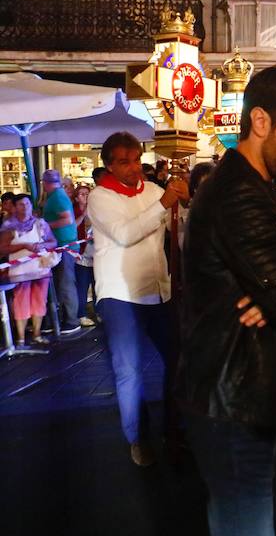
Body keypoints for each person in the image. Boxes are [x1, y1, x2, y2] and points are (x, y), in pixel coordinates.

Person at [177, 64, 276, 536]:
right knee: (246, 514)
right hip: (233, 395)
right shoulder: (241, 193)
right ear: (260, 121)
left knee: (236, 510)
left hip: (233, 389)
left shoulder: (258, 187)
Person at [88, 132, 189, 467]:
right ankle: (138, 437)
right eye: (123, 162)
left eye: (135, 160)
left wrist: (186, 204)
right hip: (120, 294)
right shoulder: (100, 197)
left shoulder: (154, 190)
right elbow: (125, 234)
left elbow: (183, 228)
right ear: (109, 165)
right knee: (128, 370)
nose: (133, 168)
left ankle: (174, 430)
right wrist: (164, 205)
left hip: (159, 289)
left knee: (178, 360)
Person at [0, 194, 57, 347]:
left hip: (40, 268)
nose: (24, 207)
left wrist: (43, 245)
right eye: (20, 204)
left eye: (27, 204)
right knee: (21, 302)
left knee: (39, 301)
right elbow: (2, 249)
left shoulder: (40, 223)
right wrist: (23, 245)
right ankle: (20, 338)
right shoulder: (8, 226)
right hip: (20, 271)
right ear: (14, 207)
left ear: (32, 205)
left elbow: (53, 241)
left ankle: (37, 334)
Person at [40, 169, 80, 334]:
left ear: (45, 183)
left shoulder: (58, 197)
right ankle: (62, 317)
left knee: (65, 283)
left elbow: (67, 219)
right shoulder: (55, 196)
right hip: (58, 245)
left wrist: (45, 225)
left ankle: (72, 319)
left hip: (65, 245)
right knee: (58, 283)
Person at [73, 184, 96, 327]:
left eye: (87, 193)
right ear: (76, 198)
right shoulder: (73, 211)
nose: (85, 197)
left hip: (97, 254)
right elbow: (72, 227)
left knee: (97, 286)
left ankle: (99, 312)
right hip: (81, 255)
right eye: (81, 194)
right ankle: (80, 314)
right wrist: (83, 214)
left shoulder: (97, 211)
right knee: (82, 286)